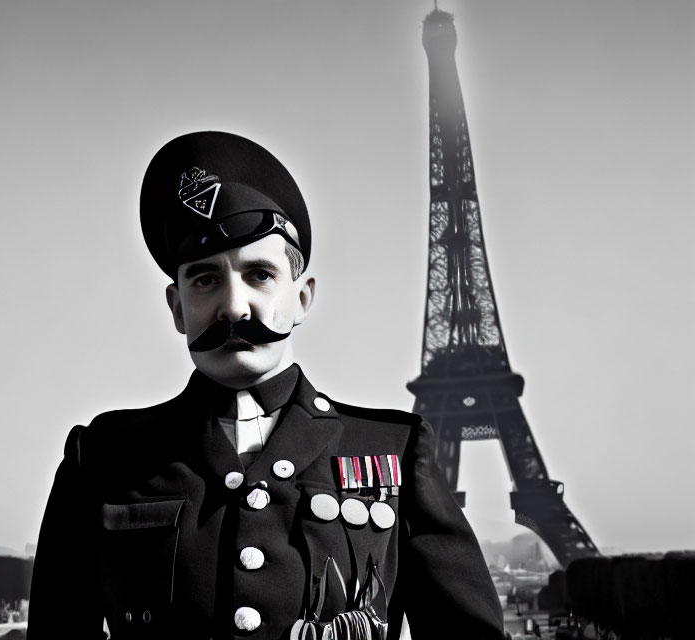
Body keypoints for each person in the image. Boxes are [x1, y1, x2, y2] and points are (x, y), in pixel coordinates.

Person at [28, 131, 504, 639]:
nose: (233, 307)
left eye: (259, 274)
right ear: (176, 307)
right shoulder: (102, 459)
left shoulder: (397, 450)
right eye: (205, 280)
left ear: (303, 297)